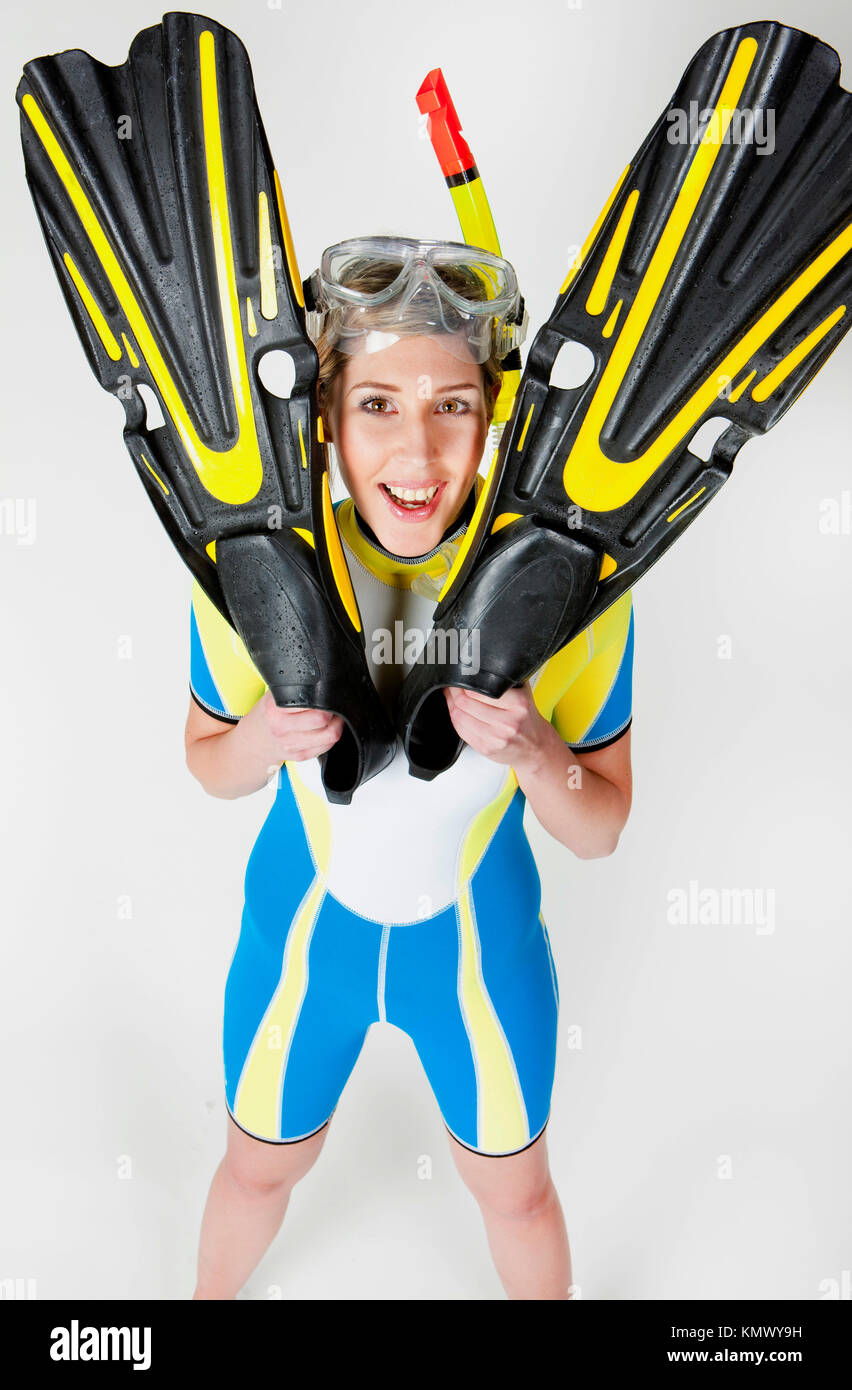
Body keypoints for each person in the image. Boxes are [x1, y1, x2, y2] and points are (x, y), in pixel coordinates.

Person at [185, 243, 634, 1300]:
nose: (418, 451)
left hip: (476, 959)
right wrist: (263, 736)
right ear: (325, 420)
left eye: (455, 407)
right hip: (303, 945)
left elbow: (599, 826)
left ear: (496, 422)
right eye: (378, 404)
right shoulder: (254, 571)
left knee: (517, 1195)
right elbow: (208, 766)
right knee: (259, 1170)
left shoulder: (566, 594)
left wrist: (540, 752)